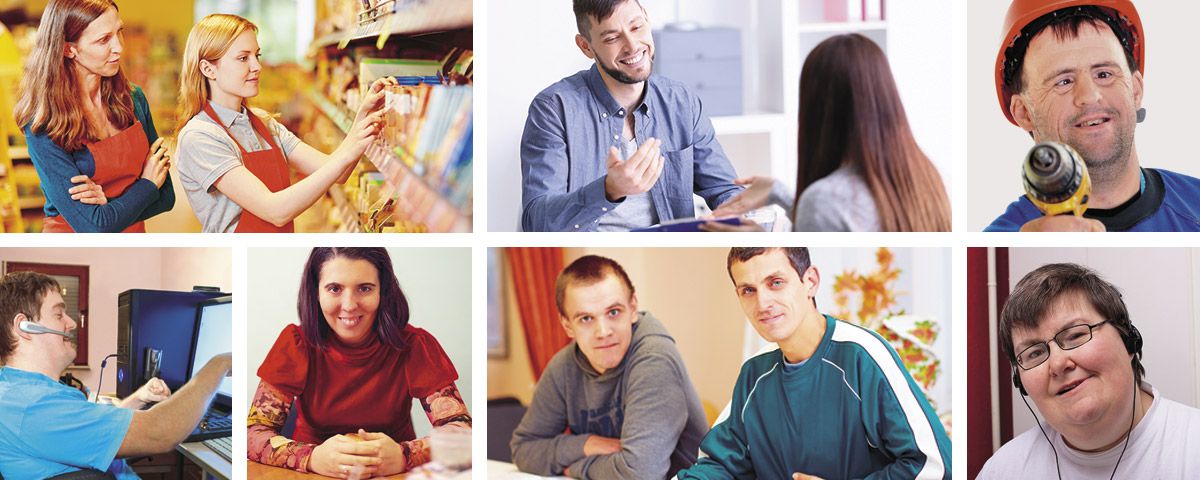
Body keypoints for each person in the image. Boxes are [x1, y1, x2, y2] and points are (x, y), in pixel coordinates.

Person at [677, 248, 951, 479]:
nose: (762, 303)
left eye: (775, 282)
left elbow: (935, 466)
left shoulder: (862, 356)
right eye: (748, 290)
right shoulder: (755, 372)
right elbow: (719, 463)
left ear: (810, 281)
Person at [519, 0, 744, 232]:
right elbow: (537, 223)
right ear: (586, 46)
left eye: (636, 27)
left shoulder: (681, 101)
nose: (632, 46)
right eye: (612, 38)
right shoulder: (553, 109)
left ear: (646, 18)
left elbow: (725, 189)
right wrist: (609, 190)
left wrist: (743, 213)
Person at [247, 247, 471, 477]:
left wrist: (405, 454)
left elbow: (464, 433)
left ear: (383, 291)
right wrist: (312, 457)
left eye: (364, 288)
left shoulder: (415, 345)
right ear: (316, 292)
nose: (350, 305)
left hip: (392, 474)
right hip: (313, 474)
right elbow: (253, 434)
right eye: (334, 289)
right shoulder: (295, 344)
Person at [986, 0, 1200, 232]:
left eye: (1104, 74)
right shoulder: (1006, 235)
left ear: (1136, 90)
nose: (1090, 95)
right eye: (1064, 81)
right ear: (1024, 112)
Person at [705, 34, 951, 232]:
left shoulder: (826, 200)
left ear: (816, 107)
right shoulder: (925, 176)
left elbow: (828, 212)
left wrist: (758, 238)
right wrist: (777, 192)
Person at [0, 271, 232, 479]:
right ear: (25, 327)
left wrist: (138, 398)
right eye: (59, 315)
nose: (71, 323)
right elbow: (160, 432)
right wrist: (219, 363)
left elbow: (91, 430)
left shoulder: (21, 392)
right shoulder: (34, 406)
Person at [978, 263, 1200, 478]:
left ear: (1127, 340)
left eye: (1075, 335)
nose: (1057, 364)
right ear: (1020, 382)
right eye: (1034, 353)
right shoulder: (1002, 470)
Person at [175, 14, 391, 233]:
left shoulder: (263, 123)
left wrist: (361, 118)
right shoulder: (199, 136)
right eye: (243, 58)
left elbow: (338, 173)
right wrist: (350, 147)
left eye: (256, 55)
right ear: (208, 69)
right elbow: (275, 211)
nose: (257, 66)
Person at [510, 255, 707, 479]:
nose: (603, 332)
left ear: (633, 308)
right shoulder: (563, 367)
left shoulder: (655, 358)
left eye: (613, 312)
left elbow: (641, 473)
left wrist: (576, 468)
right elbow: (523, 450)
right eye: (586, 318)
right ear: (567, 326)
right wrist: (587, 444)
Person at [14, 0, 174, 233]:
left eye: (120, 32)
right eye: (103, 40)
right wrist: (147, 186)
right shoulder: (42, 123)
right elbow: (93, 227)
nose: (119, 47)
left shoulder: (134, 99)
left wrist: (107, 208)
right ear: (69, 49)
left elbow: (167, 197)